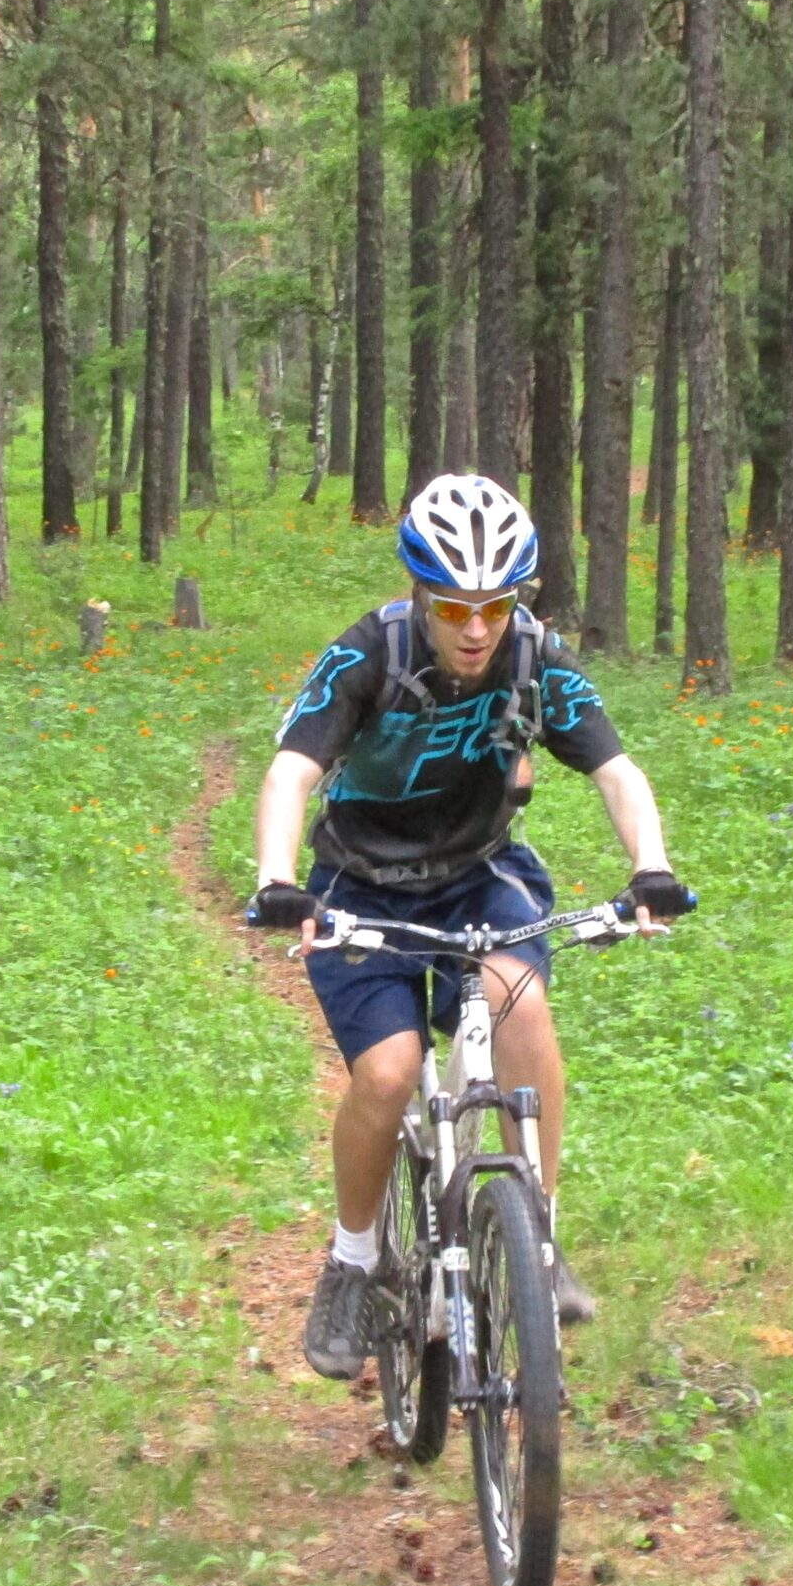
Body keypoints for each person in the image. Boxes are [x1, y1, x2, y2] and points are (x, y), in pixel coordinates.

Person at [246, 473, 693, 1380]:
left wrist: (651, 865)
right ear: (422, 593)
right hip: (360, 888)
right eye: (455, 607)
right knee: (389, 1071)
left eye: (496, 604)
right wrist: (277, 881)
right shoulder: (369, 653)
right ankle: (353, 1262)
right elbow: (293, 769)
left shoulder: (536, 657)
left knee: (520, 1005)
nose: (477, 628)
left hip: (478, 875)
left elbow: (616, 768)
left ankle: (539, 1240)